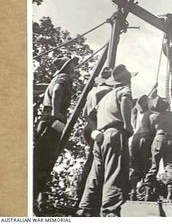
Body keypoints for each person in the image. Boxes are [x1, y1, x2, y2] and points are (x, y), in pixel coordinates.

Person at [78, 64, 136, 217]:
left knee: (95, 176)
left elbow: (90, 115)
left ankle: (85, 210)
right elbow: (125, 102)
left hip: (100, 137)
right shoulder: (124, 90)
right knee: (115, 172)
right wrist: (128, 125)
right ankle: (110, 212)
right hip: (114, 133)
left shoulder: (105, 97)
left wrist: (95, 129)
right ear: (127, 79)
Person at [33, 56, 79, 212]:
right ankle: (34, 197)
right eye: (73, 65)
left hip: (46, 118)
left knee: (40, 158)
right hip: (52, 118)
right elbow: (58, 90)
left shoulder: (54, 79)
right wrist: (56, 112)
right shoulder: (63, 77)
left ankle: (35, 197)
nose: (75, 67)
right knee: (45, 159)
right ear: (68, 66)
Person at [76, 67, 113, 206]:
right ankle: (92, 199)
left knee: (91, 161)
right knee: (99, 165)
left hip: (89, 128)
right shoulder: (108, 92)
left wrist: (92, 128)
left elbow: (86, 113)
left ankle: (80, 194)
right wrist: (97, 129)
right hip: (99, 127)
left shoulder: (92, 91)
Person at [144, 96, 172, 201]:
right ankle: (170, 193)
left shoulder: (152, 117)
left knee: (154, 165)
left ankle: (147, 193)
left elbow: (152, 129)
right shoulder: (170, 115)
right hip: (171, 139)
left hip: (159, 137)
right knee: (169, 166)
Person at [129, 95, 155, 201]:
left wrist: (152, 91)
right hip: (146, 136)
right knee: (148, 166)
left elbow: (140, 103)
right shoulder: (151, 112)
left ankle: (132, 191)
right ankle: (147, 194)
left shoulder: (135, 112)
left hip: (135, 138)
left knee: (136, 167)